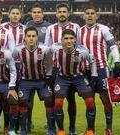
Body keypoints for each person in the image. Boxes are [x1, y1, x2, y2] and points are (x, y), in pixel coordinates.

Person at [78, 5, 120, 135]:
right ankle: (90, 130)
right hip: (86, 71)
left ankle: (109, 129)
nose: (90, 15)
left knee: (105, 98)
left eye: (92, 13)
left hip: (101, 68)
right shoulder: (79, 31)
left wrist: (117, 63)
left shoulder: (104, 29)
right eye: (87, 13)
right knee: (89, 100)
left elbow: (113, 46)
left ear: (96, 16)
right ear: (84, 16)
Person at [44, 3, 80, 135]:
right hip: (54, 69)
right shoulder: (50, 28)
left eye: (64, 11)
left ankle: (72, 129)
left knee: (71, 99)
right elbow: (47, 51)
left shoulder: (75, 27)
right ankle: (51, 128)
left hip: (70, 69)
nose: (62, 14)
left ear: (68, 13)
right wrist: (47, 72)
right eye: (60, 12)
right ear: (56, 13)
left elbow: (79, 48)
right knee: (52, 100)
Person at [52, 29, 97, 135]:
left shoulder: (82, 51)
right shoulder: (55, 48)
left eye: (71, 38)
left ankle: (90, 131)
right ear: (61, 40)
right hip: (62, 78)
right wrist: (50, 72)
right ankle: (61, 131)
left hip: (80, 78)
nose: (68, 41)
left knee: (90, 102)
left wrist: (94, 76)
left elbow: (92, 60)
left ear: (75, 40)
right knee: (58, 103)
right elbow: (46, 56)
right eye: (66, 38)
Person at [0, 6, 26, 134]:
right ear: (8, 15)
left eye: (17, 13)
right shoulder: (3, 28)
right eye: (13, 13)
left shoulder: (24, 29)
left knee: (17, 97)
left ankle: (16, 125)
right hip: (3, 65)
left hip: (19, 65)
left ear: (20, 15)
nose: (15, 16)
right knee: (2, 97)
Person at [13, 26, 55, 135]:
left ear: (37, 37)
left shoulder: (45, 49)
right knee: (23, 103)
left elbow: (50, 63)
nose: (31, 38)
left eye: (33, 36)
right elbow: (12, 64)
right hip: (25, 81)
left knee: (49, 101)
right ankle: (23, 129)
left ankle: (50, 129)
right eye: (29, 36)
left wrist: (48, 76)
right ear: (25, 38)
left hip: (41, 81)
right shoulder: (18, 49)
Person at [25, 3, 51, 132]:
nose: (36, 14)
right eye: (34, 12)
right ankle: (28, 122)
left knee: (48, 97)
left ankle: (49, 123)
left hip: (44, 67)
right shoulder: (27, 25)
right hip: (30, 67)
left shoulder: (48, 27)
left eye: (38, 12)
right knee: (29, 99)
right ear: (31, 13)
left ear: (43, 13)